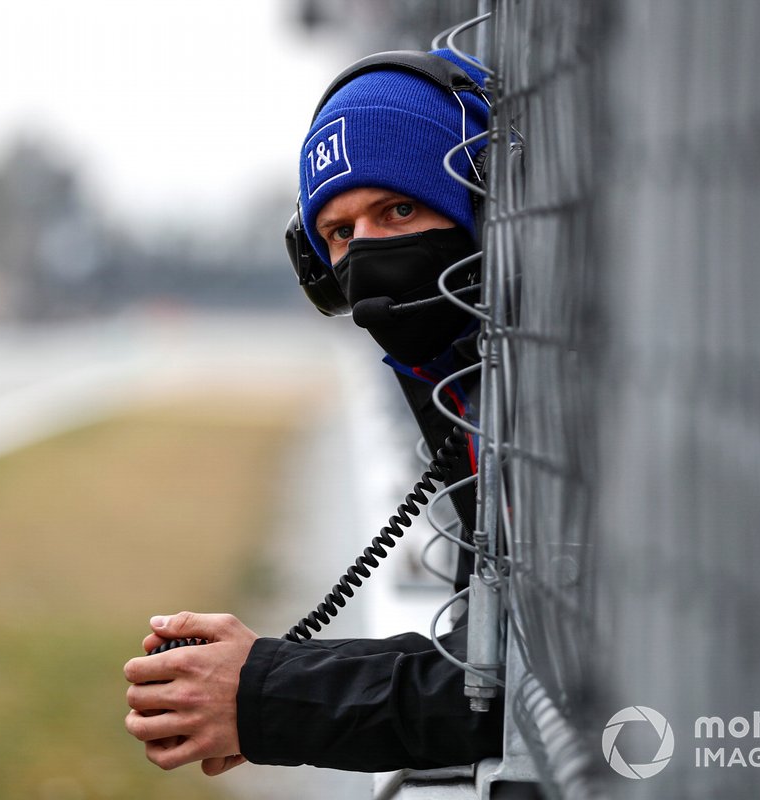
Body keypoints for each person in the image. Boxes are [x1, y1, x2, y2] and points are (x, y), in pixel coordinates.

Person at [123, 48, 504, 775]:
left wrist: (264, 692)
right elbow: (487, 668)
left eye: (399, 208)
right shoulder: (470, 388)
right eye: (339, 233)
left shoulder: (585, 405)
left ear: (482, 206)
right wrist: (255, 683)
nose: (368, 253)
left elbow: (552, 693)